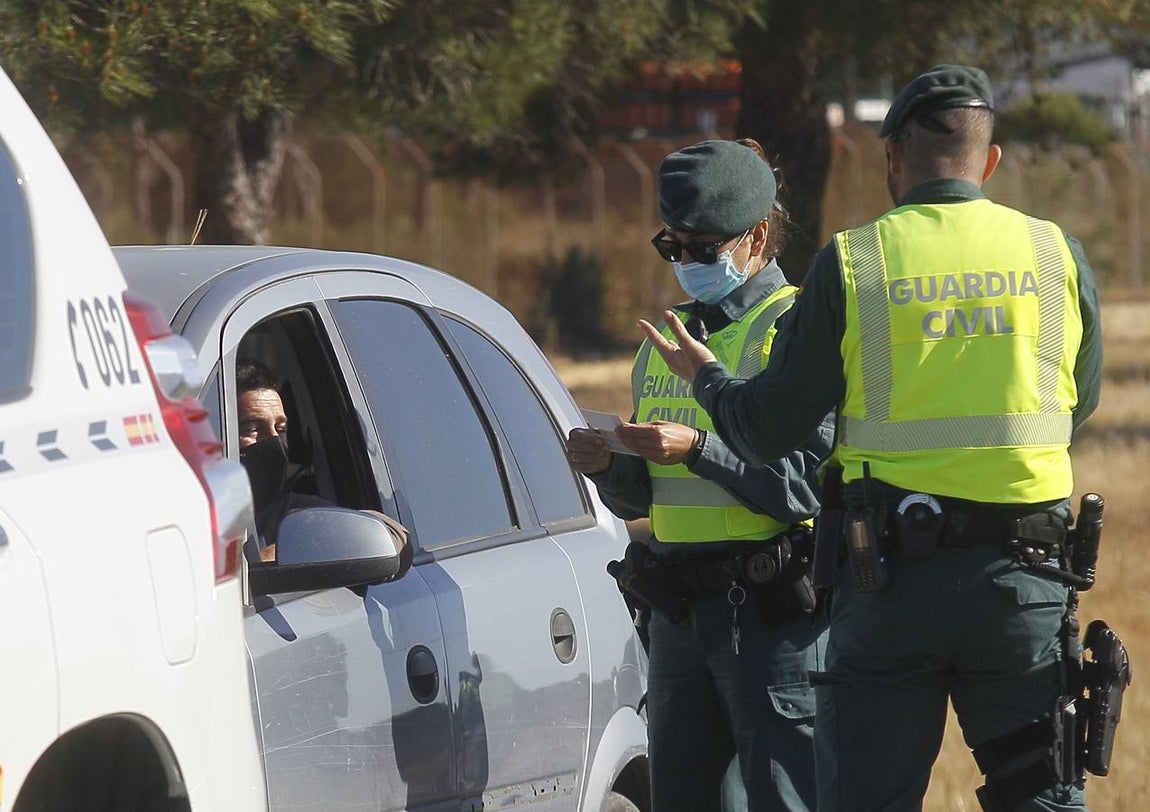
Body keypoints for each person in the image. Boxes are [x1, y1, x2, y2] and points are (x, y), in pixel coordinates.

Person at [641, 66, 1103, 811]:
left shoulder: (855, 262)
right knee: (1040, 795)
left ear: (891, 156)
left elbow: (766, 430)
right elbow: (1078, 402)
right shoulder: (1056, 253)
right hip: (1023, 581)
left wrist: (708, 380)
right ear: (990, 160)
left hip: (889, 584)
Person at [567, 139, 834, 812]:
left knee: (786, 797)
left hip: (770, 616)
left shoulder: (794, 330)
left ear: (758, 236)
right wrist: (610, 464)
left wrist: (697, 450)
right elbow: (652, 494)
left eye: (703, 247)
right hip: (679, 616)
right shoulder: (666, 340)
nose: (686, 262)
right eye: (673, 245)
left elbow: (803, 485)